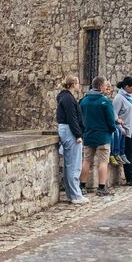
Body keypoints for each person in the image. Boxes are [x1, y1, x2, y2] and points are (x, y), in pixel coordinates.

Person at [79, 76, 117, 196]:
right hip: (103, 135)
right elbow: (111, 120)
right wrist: (112, 130)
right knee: (103, 162)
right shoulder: (105, 101)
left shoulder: (84, 101)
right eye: (106, 85)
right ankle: (101, 188)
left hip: (88, 134)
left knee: (86, 160)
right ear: (101, 87)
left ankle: (82, 186)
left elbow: (80, 118)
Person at [56, 75, 89, 204]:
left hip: (66, 129)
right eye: (77, 83)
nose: (79, 85)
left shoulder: (63, 97)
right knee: (74, 165)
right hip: (70, 131)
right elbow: (72, 118)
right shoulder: (68, 98)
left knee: (70, 164)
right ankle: (75, 195)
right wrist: (78, 134)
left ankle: (72, 194)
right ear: (73, 84)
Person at [104, 81, 130, 167]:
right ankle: (112, 154)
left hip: (112, 122)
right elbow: (113, 112)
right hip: (105, 124)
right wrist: (116, 120)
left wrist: (117, 120)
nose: (109, 91)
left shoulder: (107, 100)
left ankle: (118, 153)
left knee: (120, 131)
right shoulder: (104, 100)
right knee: (114, 132)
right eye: (107, 89)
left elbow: (112, 112)